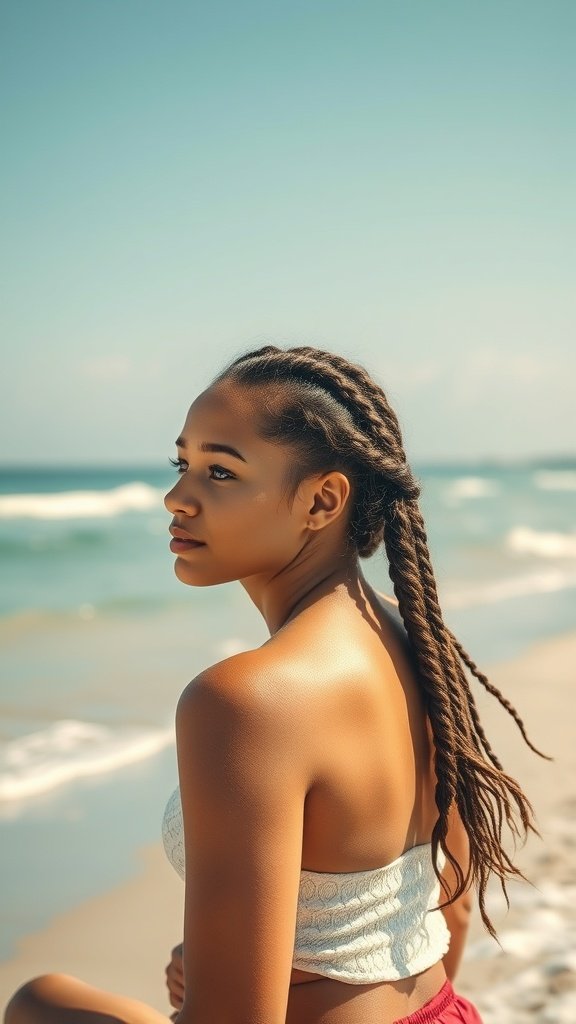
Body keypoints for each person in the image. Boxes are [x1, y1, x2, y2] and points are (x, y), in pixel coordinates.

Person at [5, 344, 546, 1024]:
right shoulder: (418, 653)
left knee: (38, 1004)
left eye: (220, 472)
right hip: (442, 1011)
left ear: (321, 500)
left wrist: (218, 986)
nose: (178, 498)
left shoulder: (247, 701)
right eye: (184, 465)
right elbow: (451, 907)